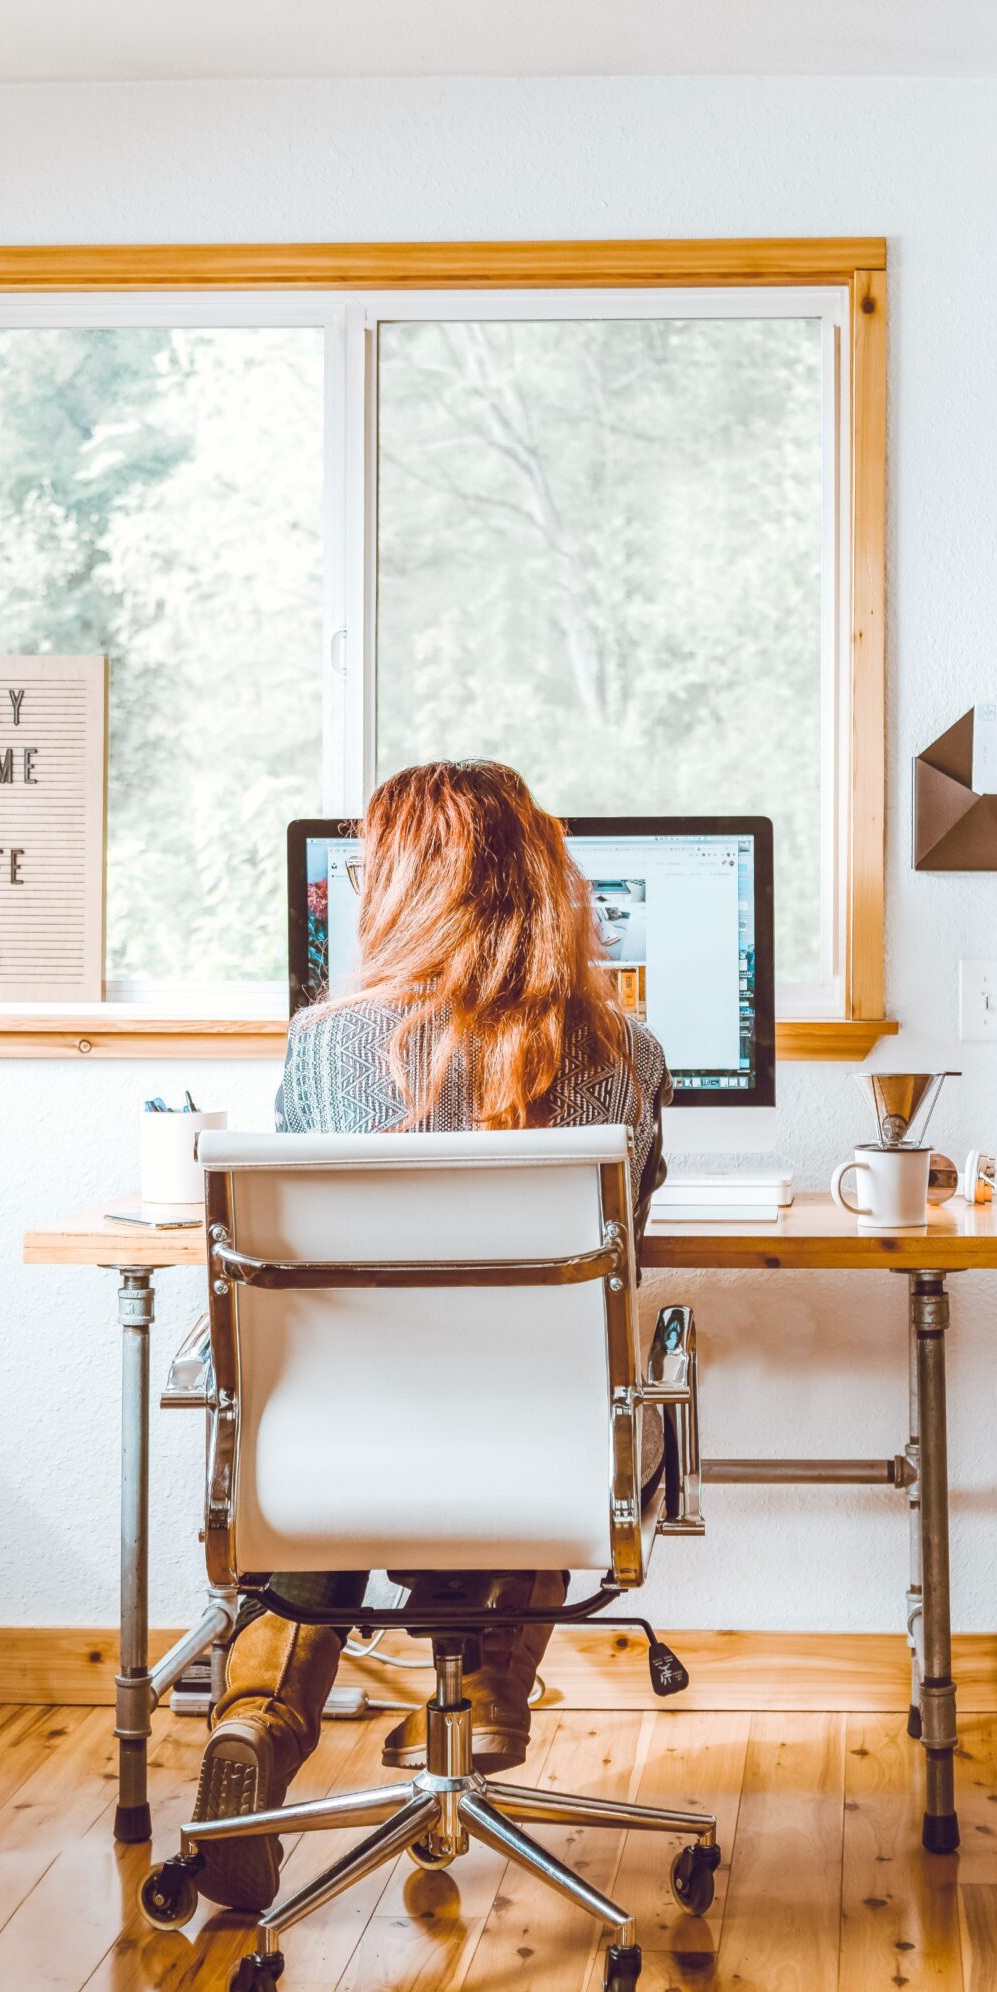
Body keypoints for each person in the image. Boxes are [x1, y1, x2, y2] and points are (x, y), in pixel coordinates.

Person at [192, 759, 670, 1910]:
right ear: (550, 883)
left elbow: (297, 1279)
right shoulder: (630, 1055)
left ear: (396, 887)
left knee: (307, 1395)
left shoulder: (320, 1045)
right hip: (540, 1464)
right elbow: (621, 1262)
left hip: (344, 1456)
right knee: (568, 1387)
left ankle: (259, 1717)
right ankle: (496, 1685)